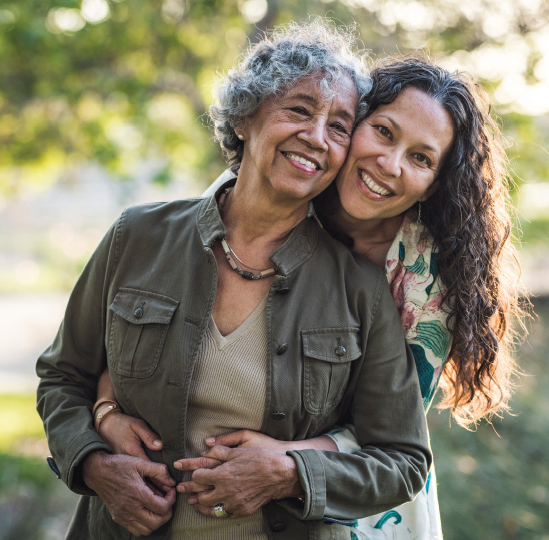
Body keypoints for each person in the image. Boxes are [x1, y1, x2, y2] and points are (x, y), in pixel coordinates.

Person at [95, 54, 525, 540]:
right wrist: (107, 409)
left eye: (421, 158)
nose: (390, 165)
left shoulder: (428, 282)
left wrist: (285, 462)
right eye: (383, 132)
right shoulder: (277, 185)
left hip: (350, 498)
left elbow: (392, 434)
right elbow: (154, 316)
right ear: (353, 124)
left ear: (434, 185)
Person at [36, 21, 433, 540]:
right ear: (245, 117)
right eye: (299, 110)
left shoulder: (359, 288)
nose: (316, 137)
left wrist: (290, 474)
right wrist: (93, 464)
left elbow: (403, 460)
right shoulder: (137, 237)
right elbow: (62, 378)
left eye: (338, 127)